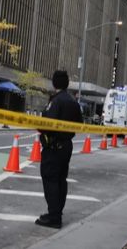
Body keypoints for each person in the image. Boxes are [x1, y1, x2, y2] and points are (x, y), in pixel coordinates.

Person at [36, 70, 83, 229]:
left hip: (54, 147)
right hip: (67, 146)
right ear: (67, 83)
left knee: (50, 179)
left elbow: (46, 124)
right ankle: (57, 212)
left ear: (54, 83)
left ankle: (54, 216)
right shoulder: (73, 101)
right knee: (61, 180)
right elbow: (80, 123)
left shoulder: (55, 101)